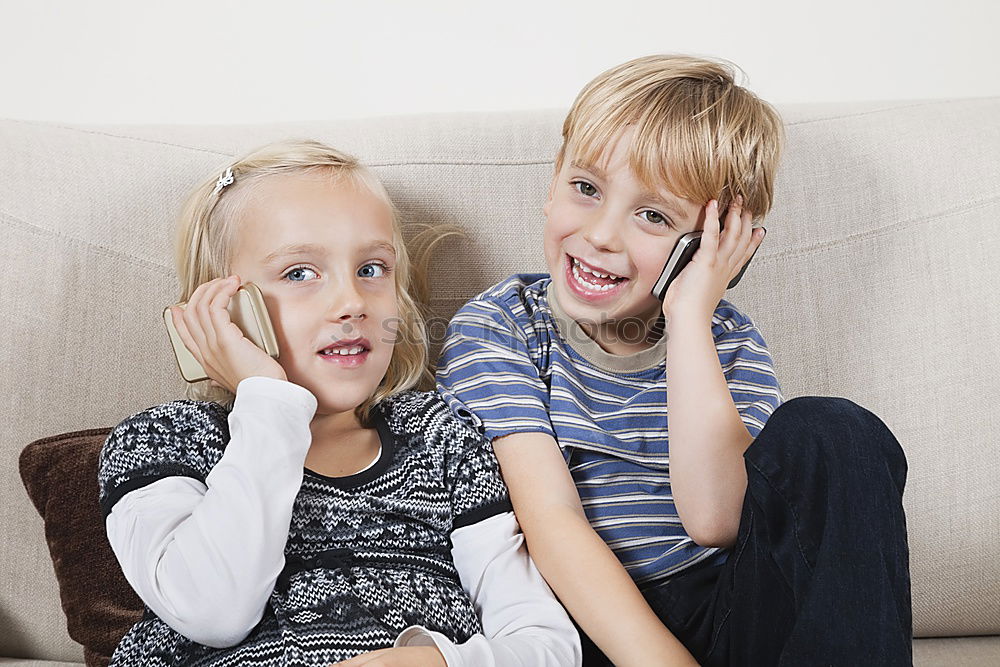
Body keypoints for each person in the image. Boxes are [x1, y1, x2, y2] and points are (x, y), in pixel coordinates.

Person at [436, 55, 912, 666]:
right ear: (553, 179)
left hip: (727, 607)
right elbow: (550, 522)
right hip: (591, 618)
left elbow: (716, 518)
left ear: (714, 243)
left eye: (653, 216)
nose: (602, 234)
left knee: (835, 429)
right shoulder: (502, 325)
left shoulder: (727, 340)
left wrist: (691, 316)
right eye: (586, 189)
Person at [98, 139, 582, 666]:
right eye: (300, 273)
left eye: (372, 269)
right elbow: (214, 612)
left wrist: (437, 662)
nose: (352, 302)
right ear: (224, 310)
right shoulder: (161, 440)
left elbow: (546, 643)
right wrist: (269, 402)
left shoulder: (441, 440)